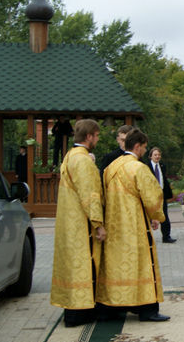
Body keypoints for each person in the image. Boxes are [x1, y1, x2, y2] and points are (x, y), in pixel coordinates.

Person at [96, 129, 169, 322]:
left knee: (115, 267)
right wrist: (157, 216)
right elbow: (153, 197)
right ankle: (147, 310)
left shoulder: (111, 167)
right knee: (142, 266)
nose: (145, 151)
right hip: (135, 227)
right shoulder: (138, 168)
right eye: (144, 147)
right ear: (137, 146)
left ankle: (110, 308)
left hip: (113, 226)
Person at [50, 119, 107, 327]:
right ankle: (81, 312)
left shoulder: (69, 156)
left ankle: (73, 310)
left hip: (69, 220)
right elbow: (89, 194)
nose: (98, 139)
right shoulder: (82, 160)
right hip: (82, 223)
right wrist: (98, 224)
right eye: (97, 135)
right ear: (89, 136)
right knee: (86, 265)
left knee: (74, 267)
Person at [147, 147, 176, 244]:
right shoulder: (146, 166)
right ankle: (147, 238)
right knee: (149, 216)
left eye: (159, 155)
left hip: (161, 194)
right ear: (151, 156)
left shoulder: (162, 166)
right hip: (151, 195)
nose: (157, 156)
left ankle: (166, 237)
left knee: (164, 215)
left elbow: (164, 178)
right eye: (155, 155)